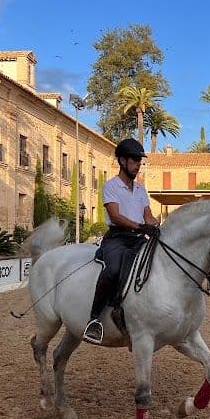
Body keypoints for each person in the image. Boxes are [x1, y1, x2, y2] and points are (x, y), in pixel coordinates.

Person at [83, 138, 160, 344]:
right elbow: (115, 216)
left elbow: (148, 216)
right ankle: (94, 319)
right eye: (135, 161)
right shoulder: (111, 186)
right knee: (113, 270)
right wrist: (140, 227)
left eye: (139, 161)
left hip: (137, 238)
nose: (138, 165)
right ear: (122, 161)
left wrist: (158, 226)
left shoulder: (141, 190)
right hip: (117, 237)